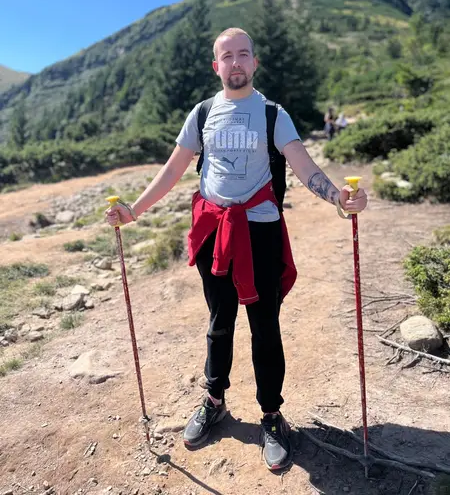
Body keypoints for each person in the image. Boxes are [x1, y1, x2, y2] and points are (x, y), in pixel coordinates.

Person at [105, 27, 368, 471]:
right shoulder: (203, 113)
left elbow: (304, 167)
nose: (236, 63)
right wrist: (134, 211)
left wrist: (339, 199)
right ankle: (214, 400)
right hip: (214, 231)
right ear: (217, 66)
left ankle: (271, 415)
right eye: (227, 56)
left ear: (254, 62)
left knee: (265, 325)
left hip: (260, 231)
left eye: (243, 54)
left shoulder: (272, 114)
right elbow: (173, 170)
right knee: (219, 322)